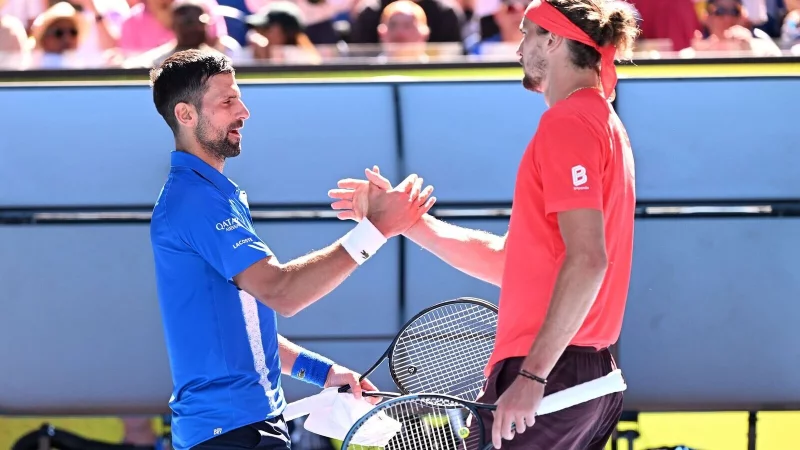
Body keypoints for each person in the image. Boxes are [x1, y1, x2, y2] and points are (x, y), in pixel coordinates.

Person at [328, 0, 639, 448]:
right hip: (581, 376)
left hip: (552, 374)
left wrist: (533, 374)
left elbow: (589, 260)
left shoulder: (569, 122)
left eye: (527, 33)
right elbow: (509, 262)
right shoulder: (600, 122)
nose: (518, 47)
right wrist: (406, 222)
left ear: (552, 40)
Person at [148, 49, 436, 450]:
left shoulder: (208, 195)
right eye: (227, 101)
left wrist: (326, 372)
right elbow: (282, 292)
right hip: (232, 434)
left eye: (240, 97)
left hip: (241, 429)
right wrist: (377, 229)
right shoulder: (196, 199)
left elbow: (246, 329)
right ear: (186, 115)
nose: (244, 111)